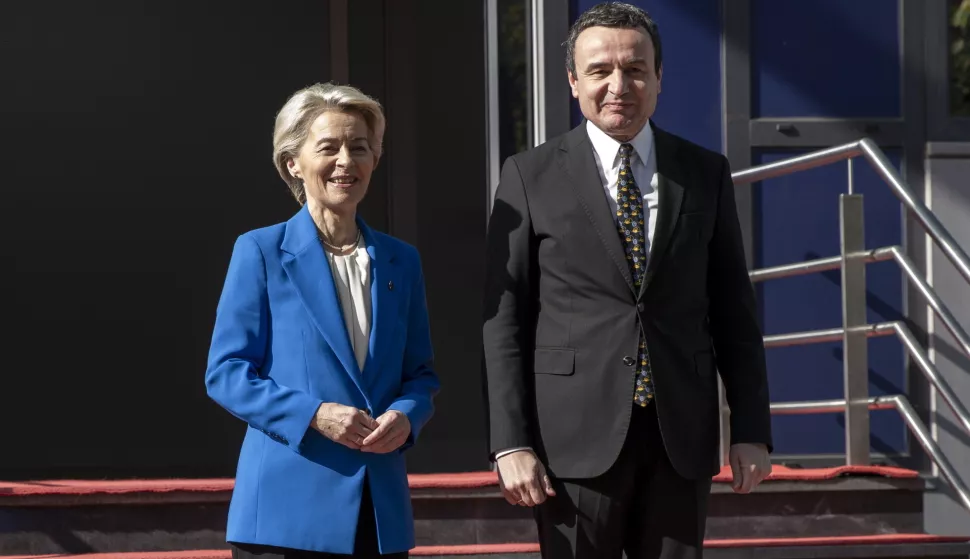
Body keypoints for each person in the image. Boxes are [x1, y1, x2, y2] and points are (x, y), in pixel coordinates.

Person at [482, 3, 772, 558]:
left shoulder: (704, 172)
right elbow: (504, 321)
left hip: (679, 437)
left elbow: (734, 310)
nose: (620, 85)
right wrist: (509, 442)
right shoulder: (528, 175)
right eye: (600, 70)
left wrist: (751, 428)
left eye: (636, 69)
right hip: (570, 440)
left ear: (659, 78)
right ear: (573, 81)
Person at [205, 82, 440, 559]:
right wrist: (315, 415)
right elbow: (227, 374)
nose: (345, 162)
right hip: (284, 515)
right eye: (328, 147)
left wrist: (408, 417)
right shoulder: (260, 251)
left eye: (359, 147)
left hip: (379, 515)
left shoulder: (401, 261)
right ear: (293, 162)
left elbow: (421, 375)